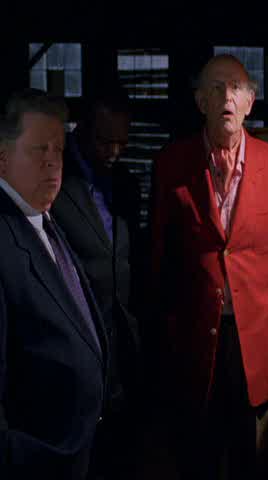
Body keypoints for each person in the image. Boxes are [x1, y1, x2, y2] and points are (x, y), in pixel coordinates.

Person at [150, 54, 268, 478]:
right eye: (216, 87)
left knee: (253, 463)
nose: (227, 96)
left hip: (258, 346)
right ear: (200, 101)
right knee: (197, 461)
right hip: (194, 345)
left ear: (250, 102)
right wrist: (165, 341)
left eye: (236, 87)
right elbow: (159, 263)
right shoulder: (172, 164)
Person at [0, 89, 106, 478]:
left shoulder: (44, 220)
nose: (52, 161)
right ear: (2, 158)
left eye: (58, 150)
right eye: (38, 149)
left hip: (76, 452)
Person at [50, 87, 141, 478]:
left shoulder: (126, 183)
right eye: (105, 141)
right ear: (82, 129)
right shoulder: (53, 180)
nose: (114, 152)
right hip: (74, 344)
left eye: (123, 143)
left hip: (124, 349)